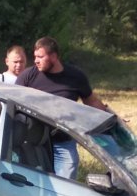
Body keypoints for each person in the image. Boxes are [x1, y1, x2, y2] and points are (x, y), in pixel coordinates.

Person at [16, 36, 112, 179]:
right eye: (35, 56)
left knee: (66, 185)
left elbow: (91, 102)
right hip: (34, 143)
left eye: (40, 57)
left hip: (64, 142)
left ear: (54, 57)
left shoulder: (75, 77)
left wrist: (111, 117)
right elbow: (12, 101)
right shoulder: (28, 76)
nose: (36, 60)